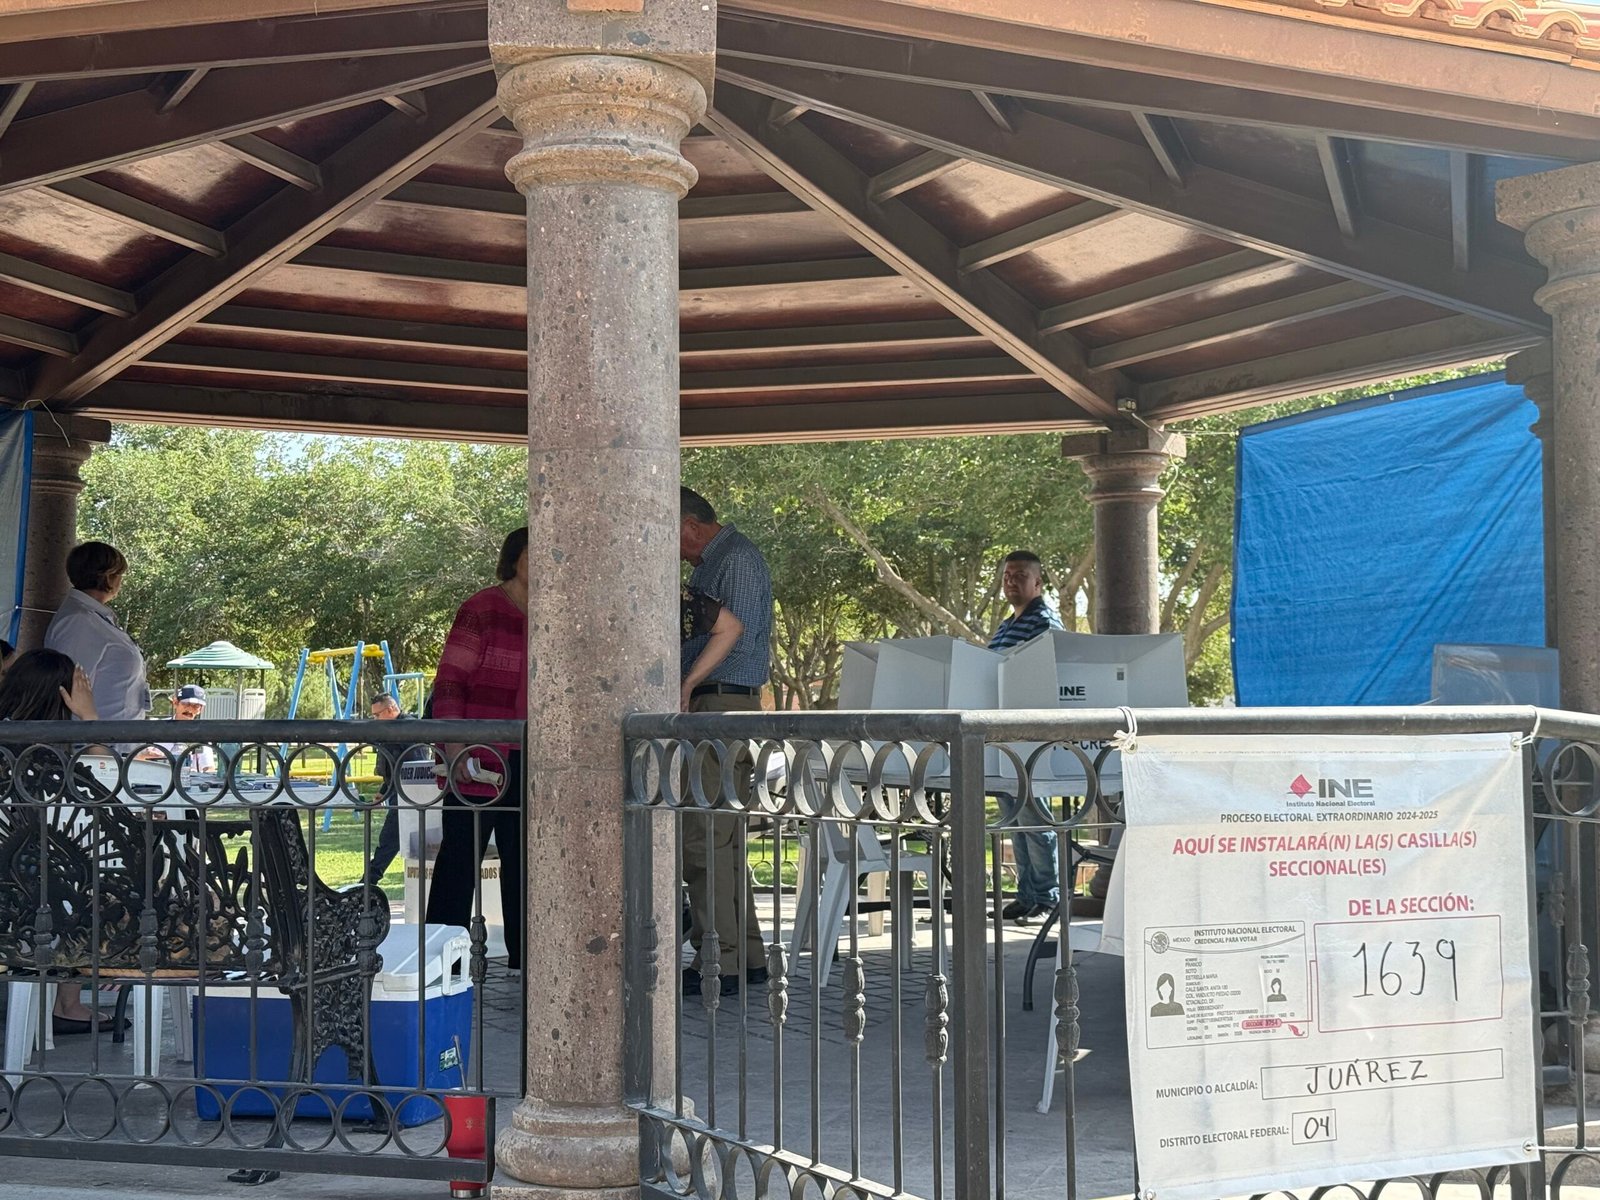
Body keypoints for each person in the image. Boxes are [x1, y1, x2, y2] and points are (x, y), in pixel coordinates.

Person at [0, 648, 129, 1034]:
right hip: (48, 905)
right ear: (64, 697)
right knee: (103, 888)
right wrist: (90, 718)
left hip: (8, 901)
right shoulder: (57, 762)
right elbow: (110, 790)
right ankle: (69, 1003)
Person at [679, 486, 771, 998]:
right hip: (726, 702)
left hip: (719, 701)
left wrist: (688, 682)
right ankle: (745, 955)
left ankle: (717, 959)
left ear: (691, 525)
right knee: (725, 839)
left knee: (704, 838)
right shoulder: (722, 561)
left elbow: (734, 633)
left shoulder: (732, 559)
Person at [424, 528, 527, 973]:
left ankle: (528, 962)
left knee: (525, 862)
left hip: (532, 757)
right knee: (459, 860)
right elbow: (450, 680)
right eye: (534, 554)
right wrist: (455, 744)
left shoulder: (558, 611)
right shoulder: (481, 608)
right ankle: (438, 961)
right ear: (515, 559)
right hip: (478, 754)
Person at [987, 550, 1065, 924]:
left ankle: (1048, 898)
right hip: (1003, 735)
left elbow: (1052, 670)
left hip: (1031, 736)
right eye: (1006, 575)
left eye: (1019, 575)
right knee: (1015, 819)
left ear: (1038, 582)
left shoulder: (1045, 622)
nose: (1011, 581)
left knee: (1034, 819)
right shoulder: (1006, 626)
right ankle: (1027, 895)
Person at [42, 541, 150, 723]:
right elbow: (69, 692)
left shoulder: (92, 617)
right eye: (120, 574)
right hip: (97, 737)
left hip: (113, 736)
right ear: (108, 576)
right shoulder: (78, 621)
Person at [363, 690, 424, 886]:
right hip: (401, 792)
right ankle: (367, 883)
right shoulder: (394, 730)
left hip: (410, 793)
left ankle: (367, 884)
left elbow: (413, 767)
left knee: (389, 841)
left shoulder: (408, 729)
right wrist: (383, 791)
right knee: (390, 841)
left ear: (390, 709)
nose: (375, 720)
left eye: (377, 715)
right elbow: (394, 768)